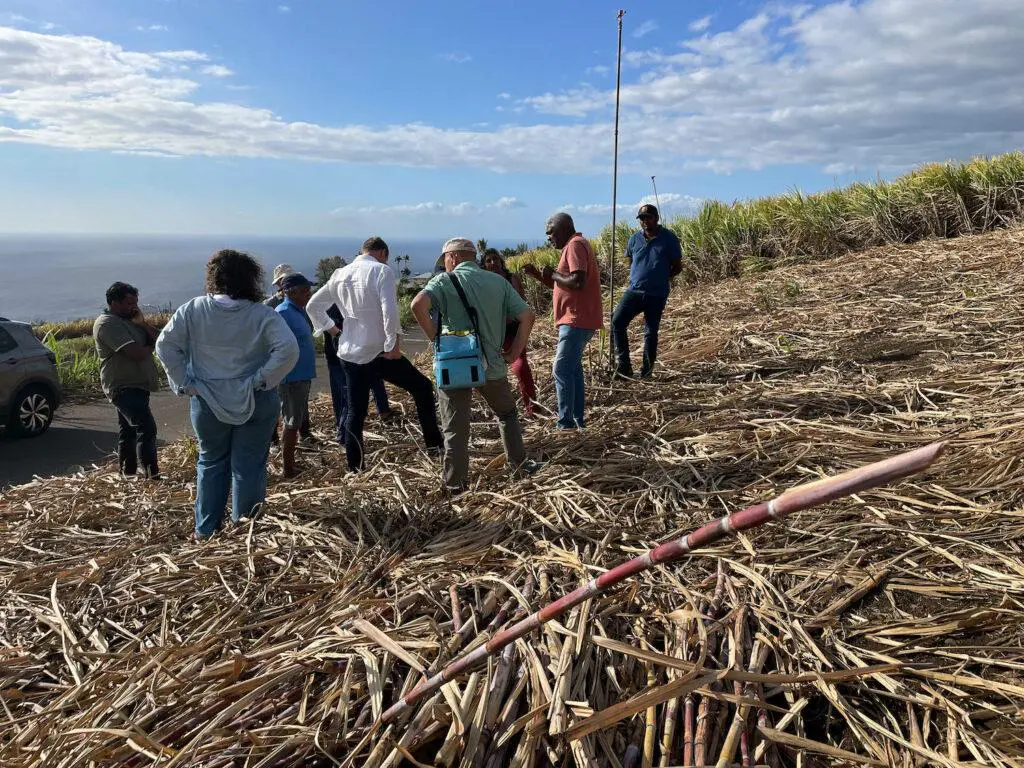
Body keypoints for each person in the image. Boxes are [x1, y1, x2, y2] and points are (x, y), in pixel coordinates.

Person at [156, 250, 299, 541]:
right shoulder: (262, 314)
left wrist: (184, 382)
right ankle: (246, 530)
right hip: (255, 398)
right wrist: (262, 379)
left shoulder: (193, 309)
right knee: (249, 464)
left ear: (214, 278)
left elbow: (165, 346)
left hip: (207, 399)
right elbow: (288, 350)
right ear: (250, 279)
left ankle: (205, 529)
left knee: (210, 462)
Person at [306, 236, 443, 472]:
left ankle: (355, 468)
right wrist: (392, 346)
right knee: (421, 388)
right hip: (378, 351)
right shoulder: (381, 271)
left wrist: (333, 329)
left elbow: (312, 307)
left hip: (348, 353)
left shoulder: (340, 273)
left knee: (355, 412)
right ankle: (435, 447)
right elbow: (389, 311)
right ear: (382, 253)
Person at [412, 238, 538, 492]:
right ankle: (518, 464)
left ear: (454, 258)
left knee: (455, 428)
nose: (445, 265)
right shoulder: (498, 282)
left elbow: (418, 305)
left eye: (445, 260)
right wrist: (514, 353)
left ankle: (455, 484)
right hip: (491, 364)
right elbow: (528, 315)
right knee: (507, 414)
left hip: (454, 366)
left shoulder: (443, 282)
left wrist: (434, 336)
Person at [522, 213, 603, 430]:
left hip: (576, 319)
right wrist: (540, 276)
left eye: (551, 232)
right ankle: (576, 421)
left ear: (565, 228)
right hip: (577, 319)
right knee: (573, 370)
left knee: (561, 369)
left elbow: (577, 281)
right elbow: (563, 285)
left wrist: (554, 273)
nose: (548, 237)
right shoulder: (574, 245)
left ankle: (566, 423)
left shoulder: (575, 245)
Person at [92, 282, 162, 479]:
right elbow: (136, 353)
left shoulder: (131, 320)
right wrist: (151, 347)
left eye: (136, 302)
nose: (134, 307)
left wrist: (143, 324)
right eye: (129, 302)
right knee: (146, 427)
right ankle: (151, 476)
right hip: (122, 387)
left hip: (138, 385)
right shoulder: (107, 323)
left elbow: (160, 338)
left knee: (128, 431)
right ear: (114, 303)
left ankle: (128, 473)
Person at [612, 204, 683, 379]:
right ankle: (624, 367)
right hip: (635, 291)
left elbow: (677, 266)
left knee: (650, 332)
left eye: (648, 217)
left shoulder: (668, 238)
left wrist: (661, 277)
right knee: (617, 322)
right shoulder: (634, 239)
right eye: (642, 218)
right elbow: (631, 262)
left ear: (656, 218)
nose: (645, 221)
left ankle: (647, 371)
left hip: (657, 294)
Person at [323, 303, 396, 445]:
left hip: (352, 355)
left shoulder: (346, 301)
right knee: (347, 397)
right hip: (342, 357)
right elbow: (336, 330)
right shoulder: (333, 305)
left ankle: (382, 413)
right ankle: (344, 435)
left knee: (351, 394)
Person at [482, 248, 538, 416]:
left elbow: (521, 307)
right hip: (490, 335)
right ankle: (500, 411)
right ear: (483, 265)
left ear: (501, 262)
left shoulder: (511, 278)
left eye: (495, 259)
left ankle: (532, 409)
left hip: (512, 333)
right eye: (489, 261)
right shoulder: (482, 283)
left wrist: (504, 317)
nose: (493, 263)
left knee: (521, 367)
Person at [275, 272, 317, 478]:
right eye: (304, 290)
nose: (309, 294)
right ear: (290, 292)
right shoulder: (282, 313)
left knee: (296, 419)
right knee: (291, 422)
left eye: (309, 289)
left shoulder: (297, 310)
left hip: (301, 376)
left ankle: (290, 464)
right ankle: (288, 470)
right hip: (291, 378)